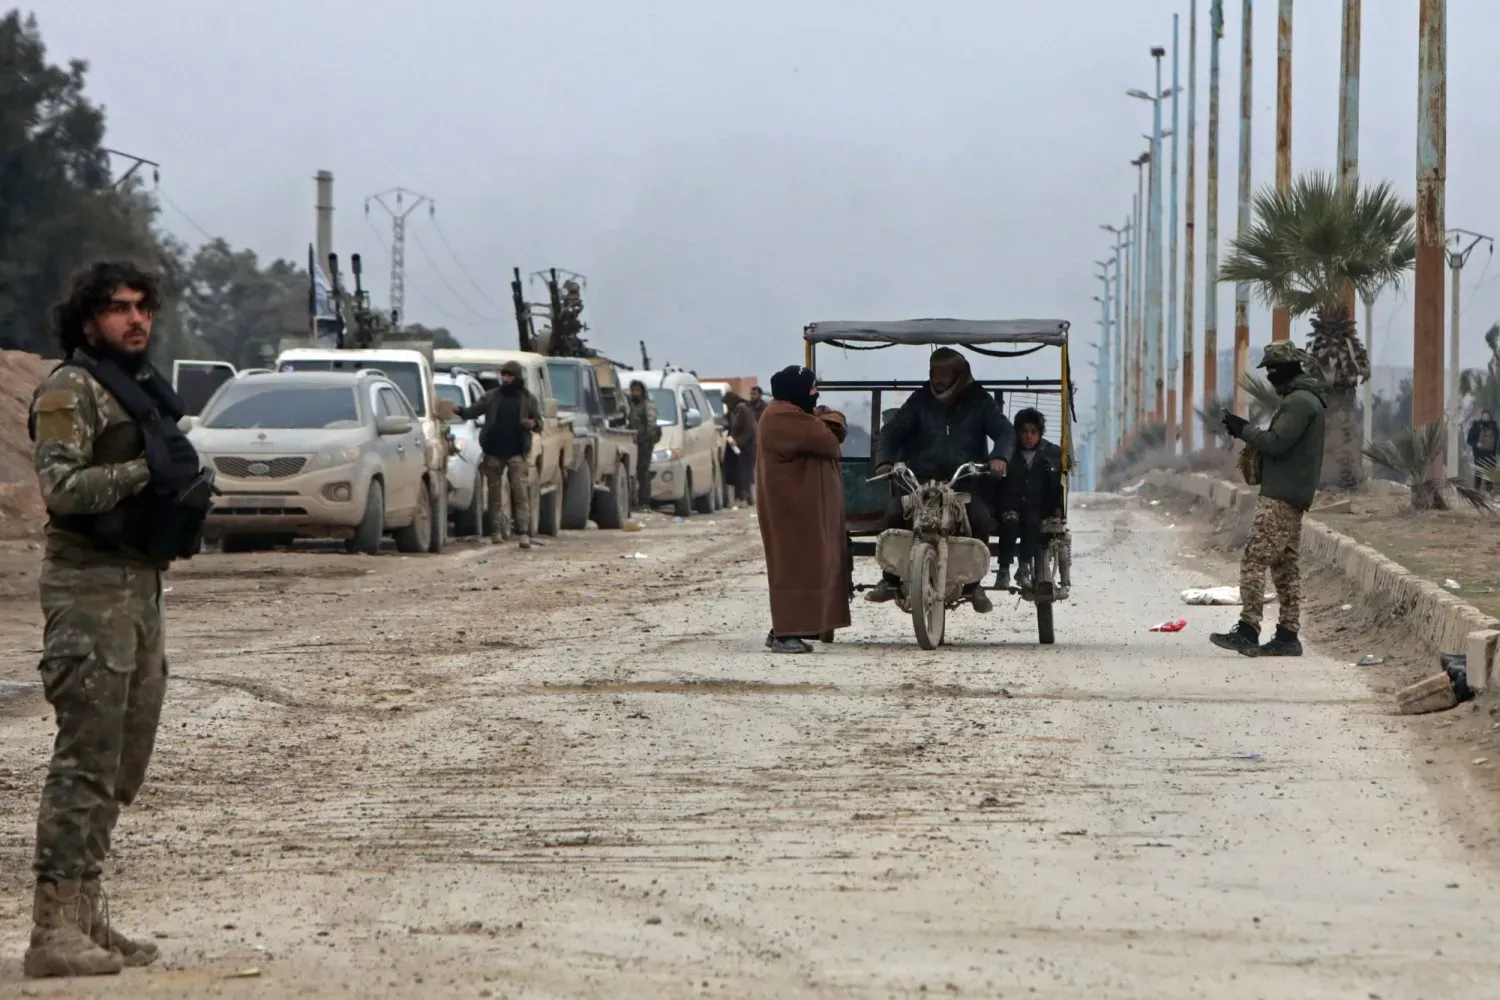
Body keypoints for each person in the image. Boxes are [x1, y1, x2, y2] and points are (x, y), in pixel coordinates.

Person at [24, 261, 218, 978]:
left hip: (141, 586)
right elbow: (62, 487)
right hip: (88, 589)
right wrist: (147, 472)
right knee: (86, 758)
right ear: (87, 320)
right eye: (117, 309)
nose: (134, 320)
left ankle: (90, 914)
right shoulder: (70, 389)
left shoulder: (138, 390)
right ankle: (53, 929)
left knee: (126, 757)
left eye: (142, 307)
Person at [868, 348, 1015, 613]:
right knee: (893, 513)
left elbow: (1005, 431)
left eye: (943, 374)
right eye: (933, 373)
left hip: (964, 481)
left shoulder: (979, 400)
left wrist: (999, 456)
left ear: (959, 375)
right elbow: (890, 432)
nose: (937, 380)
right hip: (921, 482)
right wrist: (884, 461)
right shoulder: (920, 400)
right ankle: (889, 580)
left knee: (980, 519)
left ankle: (973, 586)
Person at [1211, 341, 1328, 656]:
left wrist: (1243, 430)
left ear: (1289, 367)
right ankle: (1288, 635)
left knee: (1254, 559)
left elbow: (1277, 444)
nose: (1271, 376)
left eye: (1275, 369)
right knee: (1285, 566)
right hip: (1293, 493)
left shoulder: (1301, 402)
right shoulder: (1303, 398)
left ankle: (1248, 630)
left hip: (1281, 494)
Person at [756, 366, 850, 653]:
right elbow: (829, 439)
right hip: (790, 511)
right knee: (793, 567)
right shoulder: (783, 416)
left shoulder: (792, 415)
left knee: (807, 566)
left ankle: (789, 627)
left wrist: (825, 419)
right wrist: (829, 418)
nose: (815, 395)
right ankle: (785, 633)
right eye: (811, 390)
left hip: (799, 509)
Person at [452, 361, 542, 550]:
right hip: (494, 451)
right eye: (504, 375)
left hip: (517, 451)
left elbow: (540, 423)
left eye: (509, 375)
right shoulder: (492, 396)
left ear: (517, 377)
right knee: (494, 494)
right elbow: (472, 411)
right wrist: (458, 410)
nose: (505, 378)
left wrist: (532, 424)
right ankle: (496, 532)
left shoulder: (528, 399)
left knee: (520, 492)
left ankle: (523, 532)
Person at [993, 407, 1064, 591]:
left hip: (1034, 506)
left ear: (1040, 434)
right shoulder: (1008, 452)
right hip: (1010, 504)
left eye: (1033, 432)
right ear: (1017, 433)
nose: (1028, 437)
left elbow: (1057, 482)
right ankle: (1003, 569)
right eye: (1024, 432)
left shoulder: (1050, 453)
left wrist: (1055, 510)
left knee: (1032, 525)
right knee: (1009, 523)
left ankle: (1024, 567)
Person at [626, 380, 659, 508]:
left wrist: (645, 439)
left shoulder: (647, 405)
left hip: (644, 443)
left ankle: (645, 501)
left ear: (642, 392)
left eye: (637, 390)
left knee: (643, 472)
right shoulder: (631, 405)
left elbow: (651, 424)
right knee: (632, 472)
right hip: (632, 443)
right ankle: (634, 500)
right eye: (633, 390)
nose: (635, 393)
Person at [723, 390, 758, 503]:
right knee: (739, 472)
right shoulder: (734, 411)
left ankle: (745, 497)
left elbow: (750, 430)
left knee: (744, 473)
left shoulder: (743, 410)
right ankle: (743, 496)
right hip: (738, 448)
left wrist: (738, 441)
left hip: (747, 447)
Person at [1467, 408, 1498, 491]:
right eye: (1484, 416)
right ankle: (1477, 493)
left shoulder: (1494, 426)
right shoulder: (1476, 426)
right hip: (1479, 454)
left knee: (1489, 475)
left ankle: (1488, 493)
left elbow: (1497, 439)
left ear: (1490, 417)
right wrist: (1476, 444)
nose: (1485, 418)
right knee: (1478, 474)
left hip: (1490, 455)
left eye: (1487, 417)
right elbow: (1469, 440)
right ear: (1481, 416)